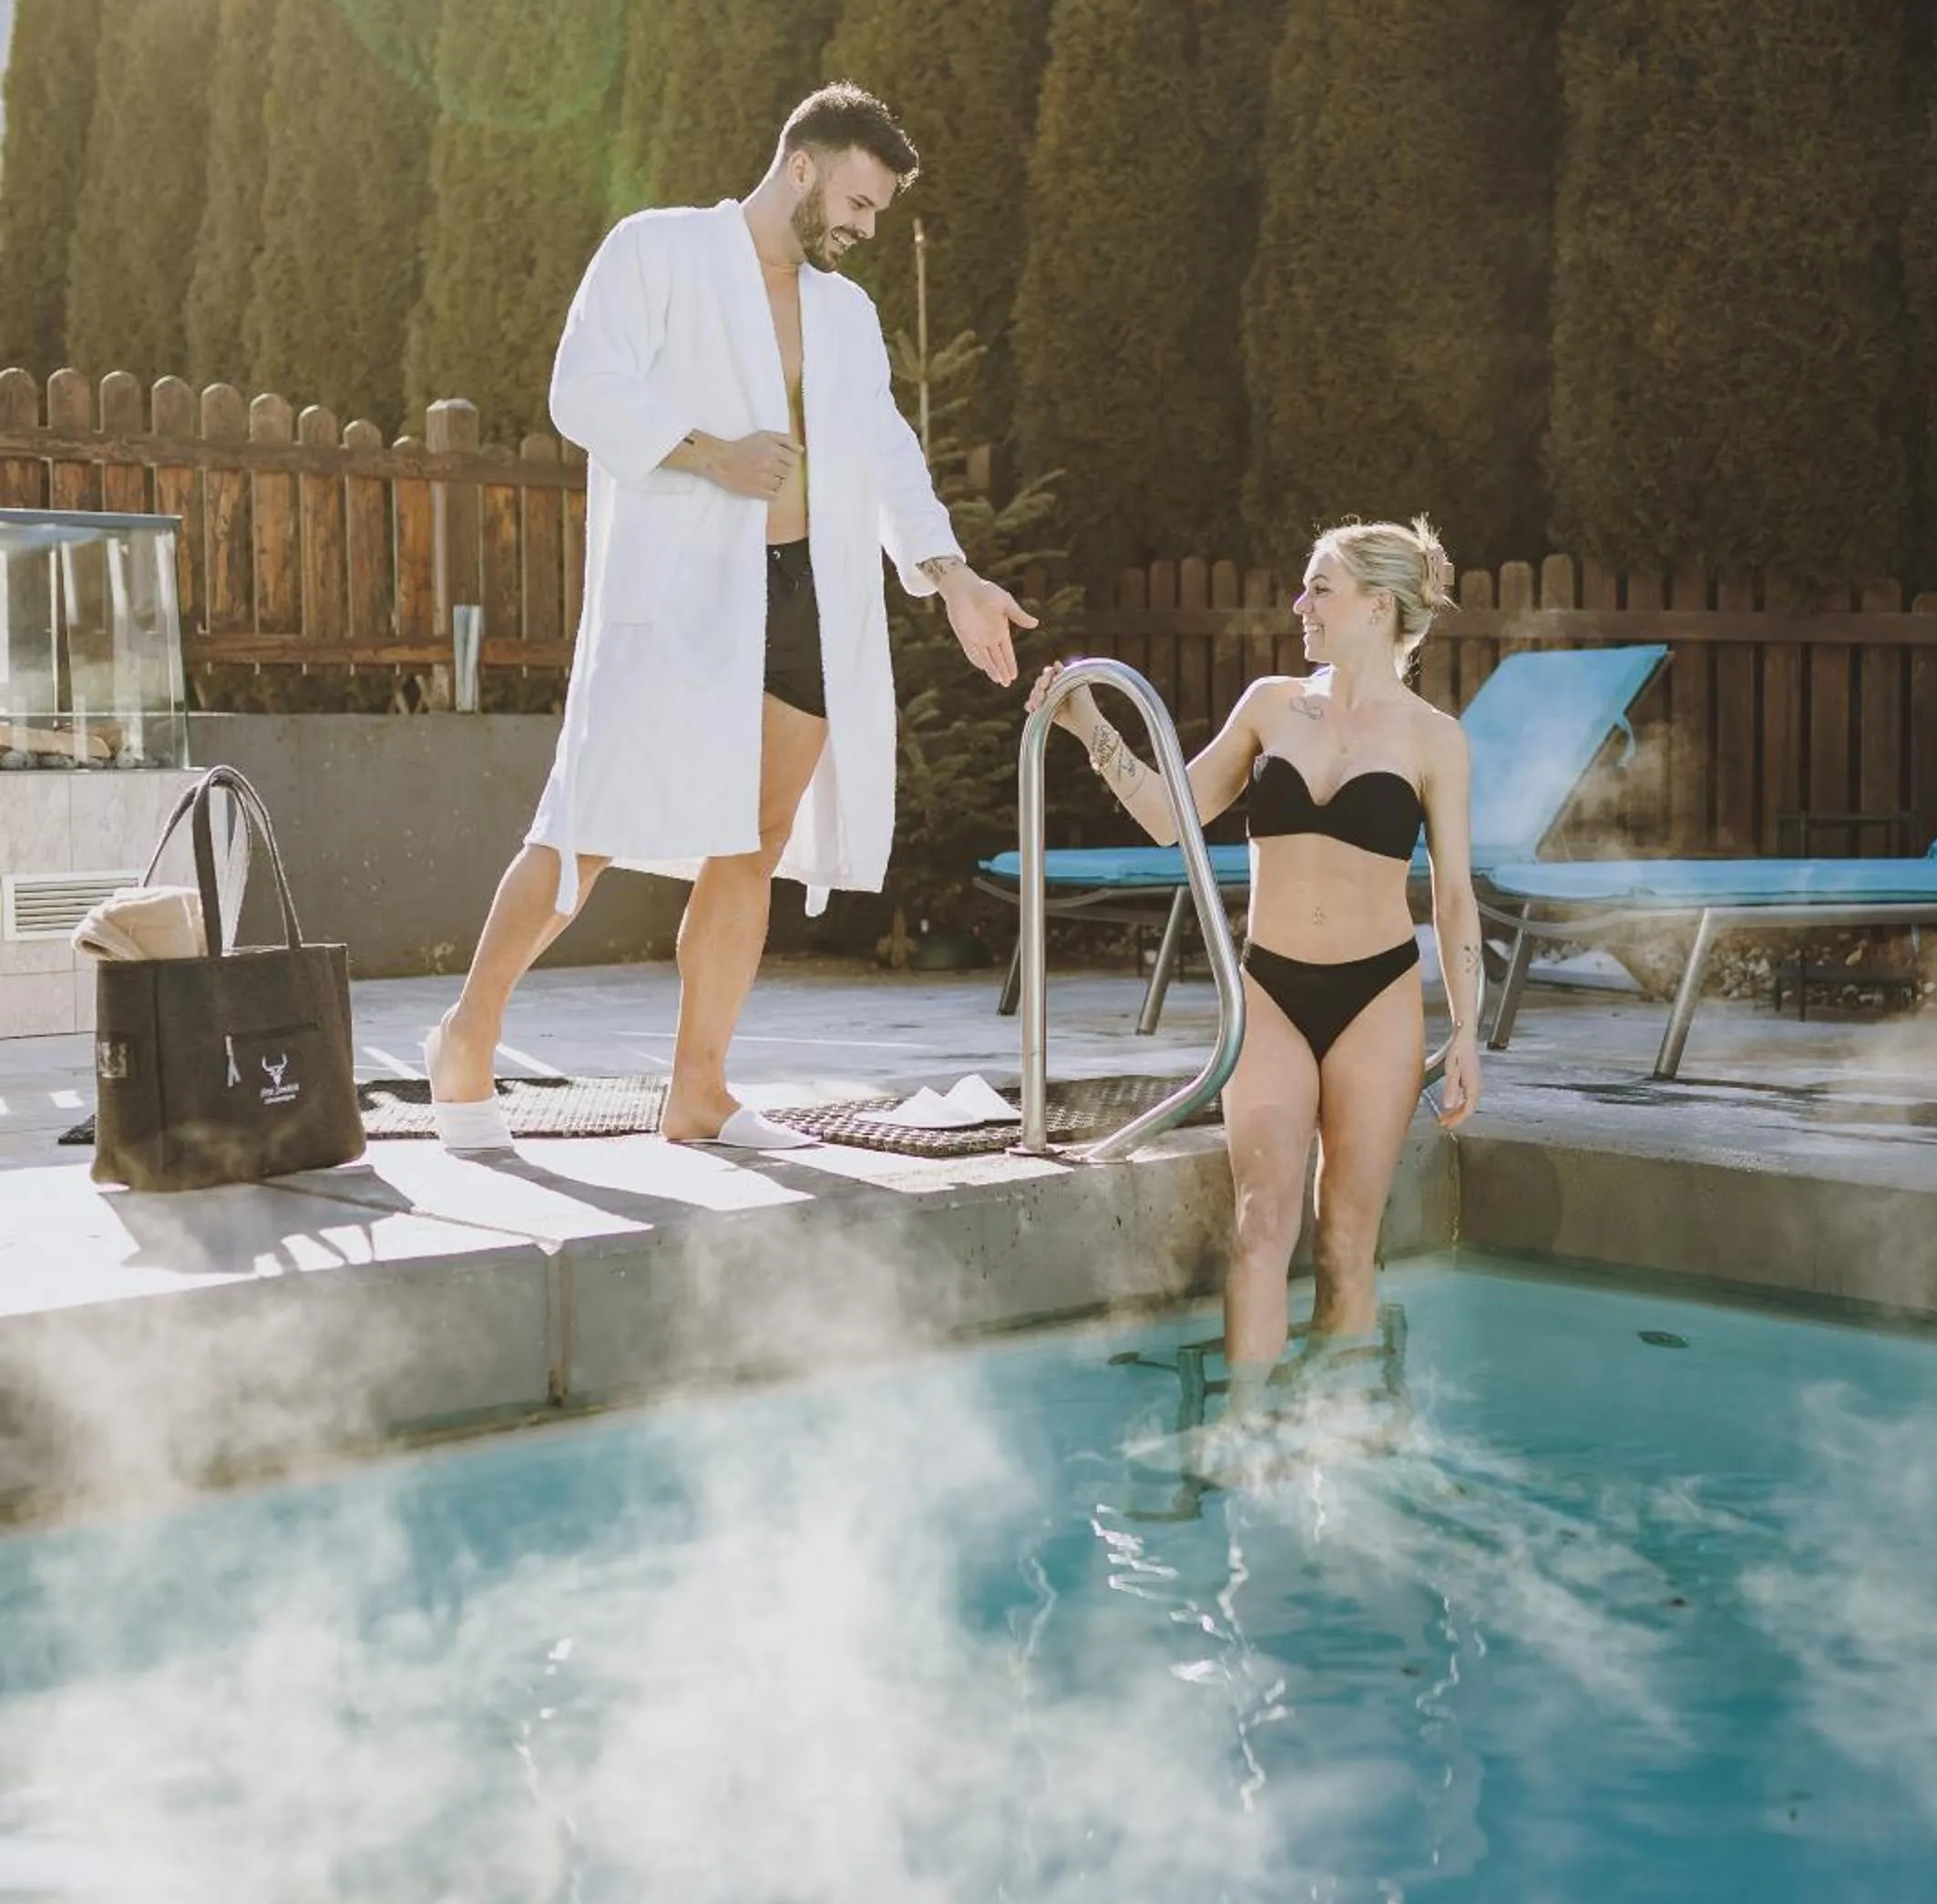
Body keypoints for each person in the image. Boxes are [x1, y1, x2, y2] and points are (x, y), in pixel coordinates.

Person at [426, 84, 1035, 1153]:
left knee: (752, 846)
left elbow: (888, 452)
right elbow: (582, 388)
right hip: (683, 598)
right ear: (802, 166)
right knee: (588, 825)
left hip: (810, 596)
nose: (865, 226)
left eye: (879, 211)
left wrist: (950, 574)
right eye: (859, 200)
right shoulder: (656, 252)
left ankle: (698, 1088)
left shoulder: (845, 311)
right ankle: (466, 1037)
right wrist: (713, 452)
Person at [1029, 517, 1481, 1379]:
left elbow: (1454, 898)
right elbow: (1173, 818)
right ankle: (1245, 1433)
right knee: (1261, 1224)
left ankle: (1337, 1443)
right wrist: (1091, 728)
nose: (1299, 603)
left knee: (1347, 1237)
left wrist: (1465, 1030)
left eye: (1320, 587)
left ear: (1378, 606)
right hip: (1269, 991)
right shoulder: (1271, 705)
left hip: (1377, 997)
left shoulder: (1434, 739)